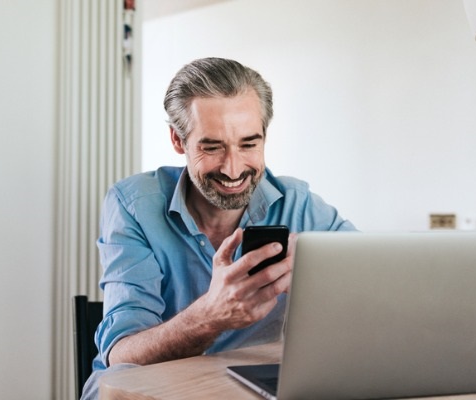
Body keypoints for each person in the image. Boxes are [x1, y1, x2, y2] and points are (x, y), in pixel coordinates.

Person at [80, 57, 356, 399]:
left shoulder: (297, 203)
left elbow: (376, 287)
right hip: (156, 388)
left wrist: (325, 271)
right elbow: (121, 354)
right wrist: (211, 315)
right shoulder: (134, 204)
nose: (233, 168)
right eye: (212, 147)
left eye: (248, 144)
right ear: (178, 141)